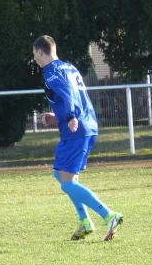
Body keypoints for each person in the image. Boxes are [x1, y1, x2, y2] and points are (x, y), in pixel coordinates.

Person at [33, 35, 123, 241]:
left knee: (66, 183)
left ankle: (109, 215)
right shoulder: (69, 67)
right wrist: (58, 116)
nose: (34, 59)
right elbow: (75, 94)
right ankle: (84, 221)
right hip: (88, 125)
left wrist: (71, 116)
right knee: (61, 175)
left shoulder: (51, 71)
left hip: (76, 129)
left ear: (40, 52)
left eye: (34, 54)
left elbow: (66, 93)